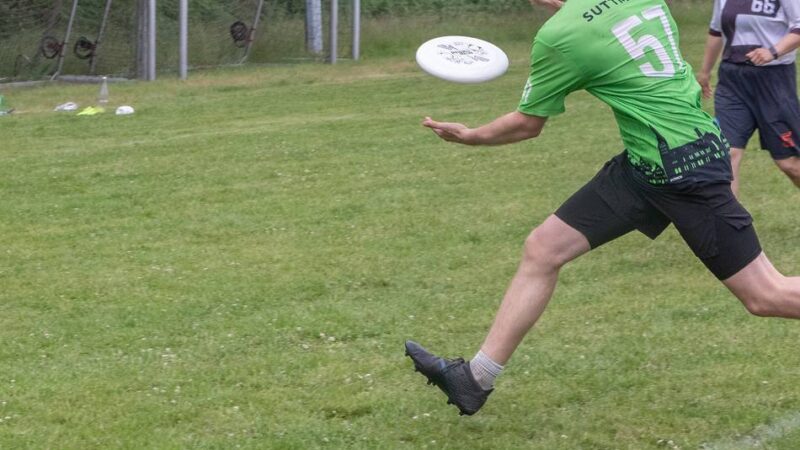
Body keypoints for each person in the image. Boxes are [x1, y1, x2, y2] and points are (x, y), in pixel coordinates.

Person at [405, 0, 800, 416]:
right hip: (648, 162)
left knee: (765, 295)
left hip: (685, 169)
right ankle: (475, 380)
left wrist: (471, 136)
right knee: (543, 248)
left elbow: (528, 124)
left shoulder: (562, 35)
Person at [697, 0, 800, 196]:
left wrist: (773, 52)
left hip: (774, 81)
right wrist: (705, 71)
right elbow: (716, 31)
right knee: (727, 153)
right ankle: (731, 225)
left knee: (789, 164)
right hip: (732, 81)